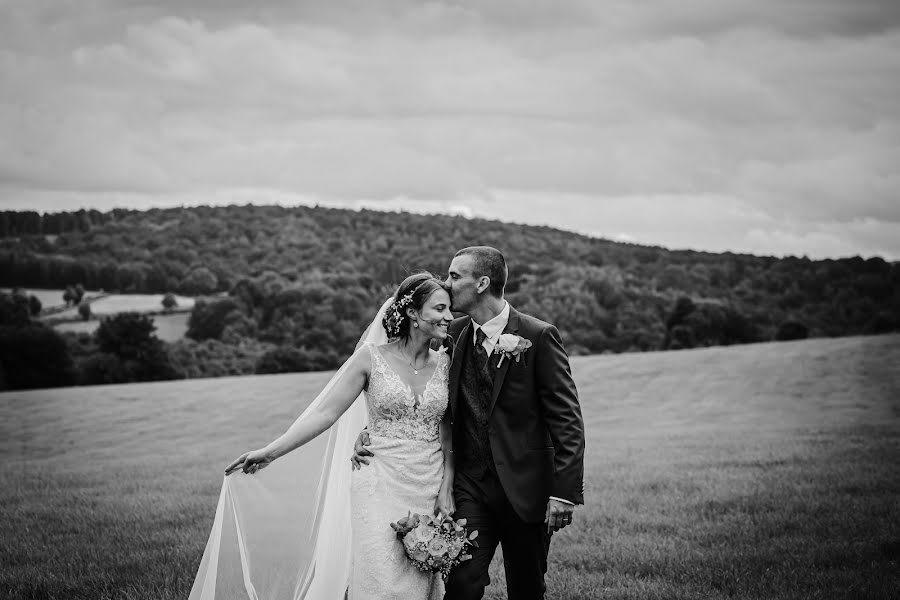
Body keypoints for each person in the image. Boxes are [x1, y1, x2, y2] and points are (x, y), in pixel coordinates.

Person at [188, 272, 455, 600]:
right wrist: (271, 451)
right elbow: (325, 413)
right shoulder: (371, 358)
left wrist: (446, 488)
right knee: (380, 573)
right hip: (378, 480)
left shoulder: (446, 363)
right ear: (413, 313)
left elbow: (448, 432)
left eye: (450, 309)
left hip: (428, 481)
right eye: (440, 308)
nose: (449, 316)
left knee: (420, 576)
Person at [353, 246, 586, 600]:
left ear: (482, 283)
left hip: (526, 488)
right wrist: (372, 431)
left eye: (454, 276)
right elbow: (414, 389)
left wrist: (564, 493)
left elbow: (567, 419)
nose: (446, 284)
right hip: (470, 488)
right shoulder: (451, 335)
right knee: (461, 584)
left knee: (527, 587)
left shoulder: (538, 337)